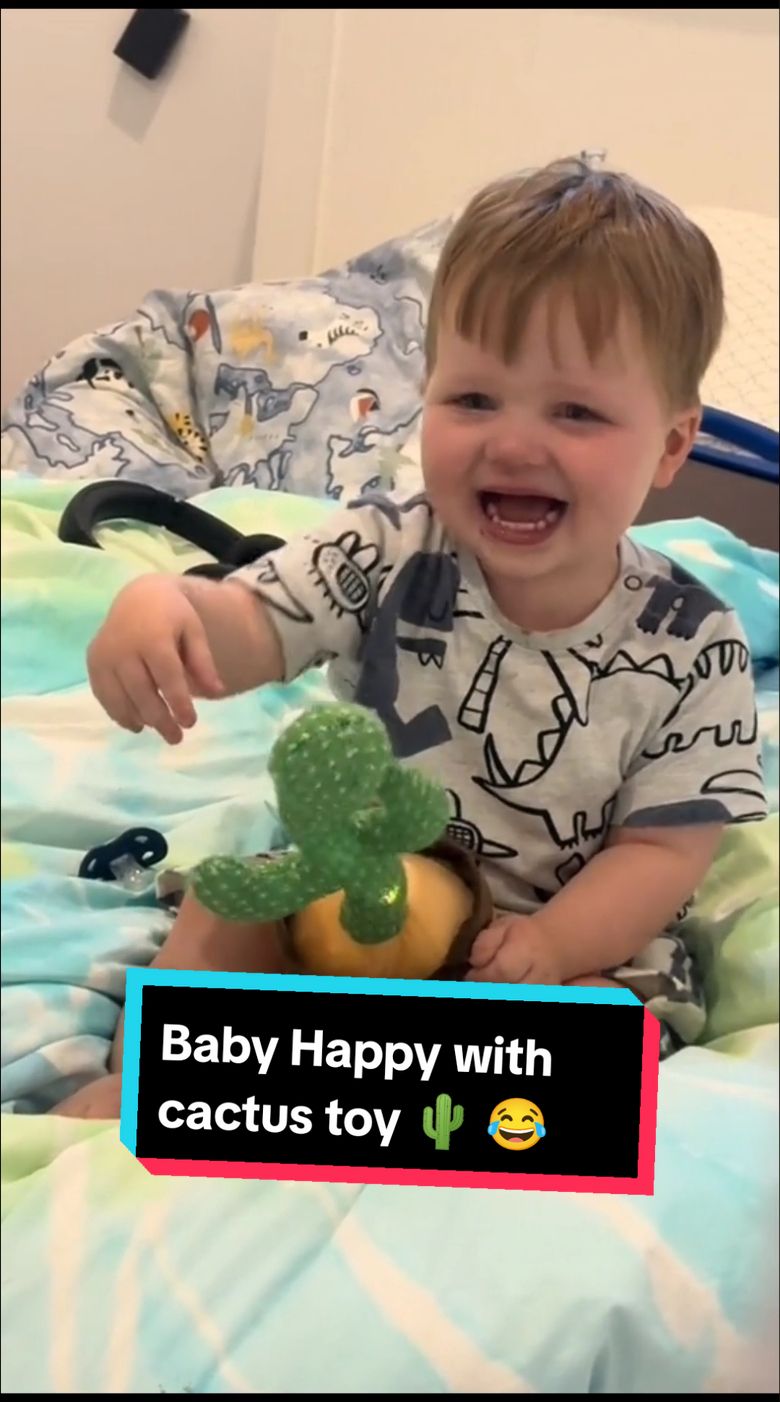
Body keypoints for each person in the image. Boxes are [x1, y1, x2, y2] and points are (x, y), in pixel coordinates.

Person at [53, 156, 767, 1118]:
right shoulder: (389, 546)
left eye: (577, 412)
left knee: (607, 1049)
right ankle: (152, 1095)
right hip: (356, 893)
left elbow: (663, 854)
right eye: (474, 399)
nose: (513, 442)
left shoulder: (696, 646)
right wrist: (170, 613)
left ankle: (395, 1125)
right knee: (228, 912)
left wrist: (554, 947)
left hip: (548, 944)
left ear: (673, 445)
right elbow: (252, 626)